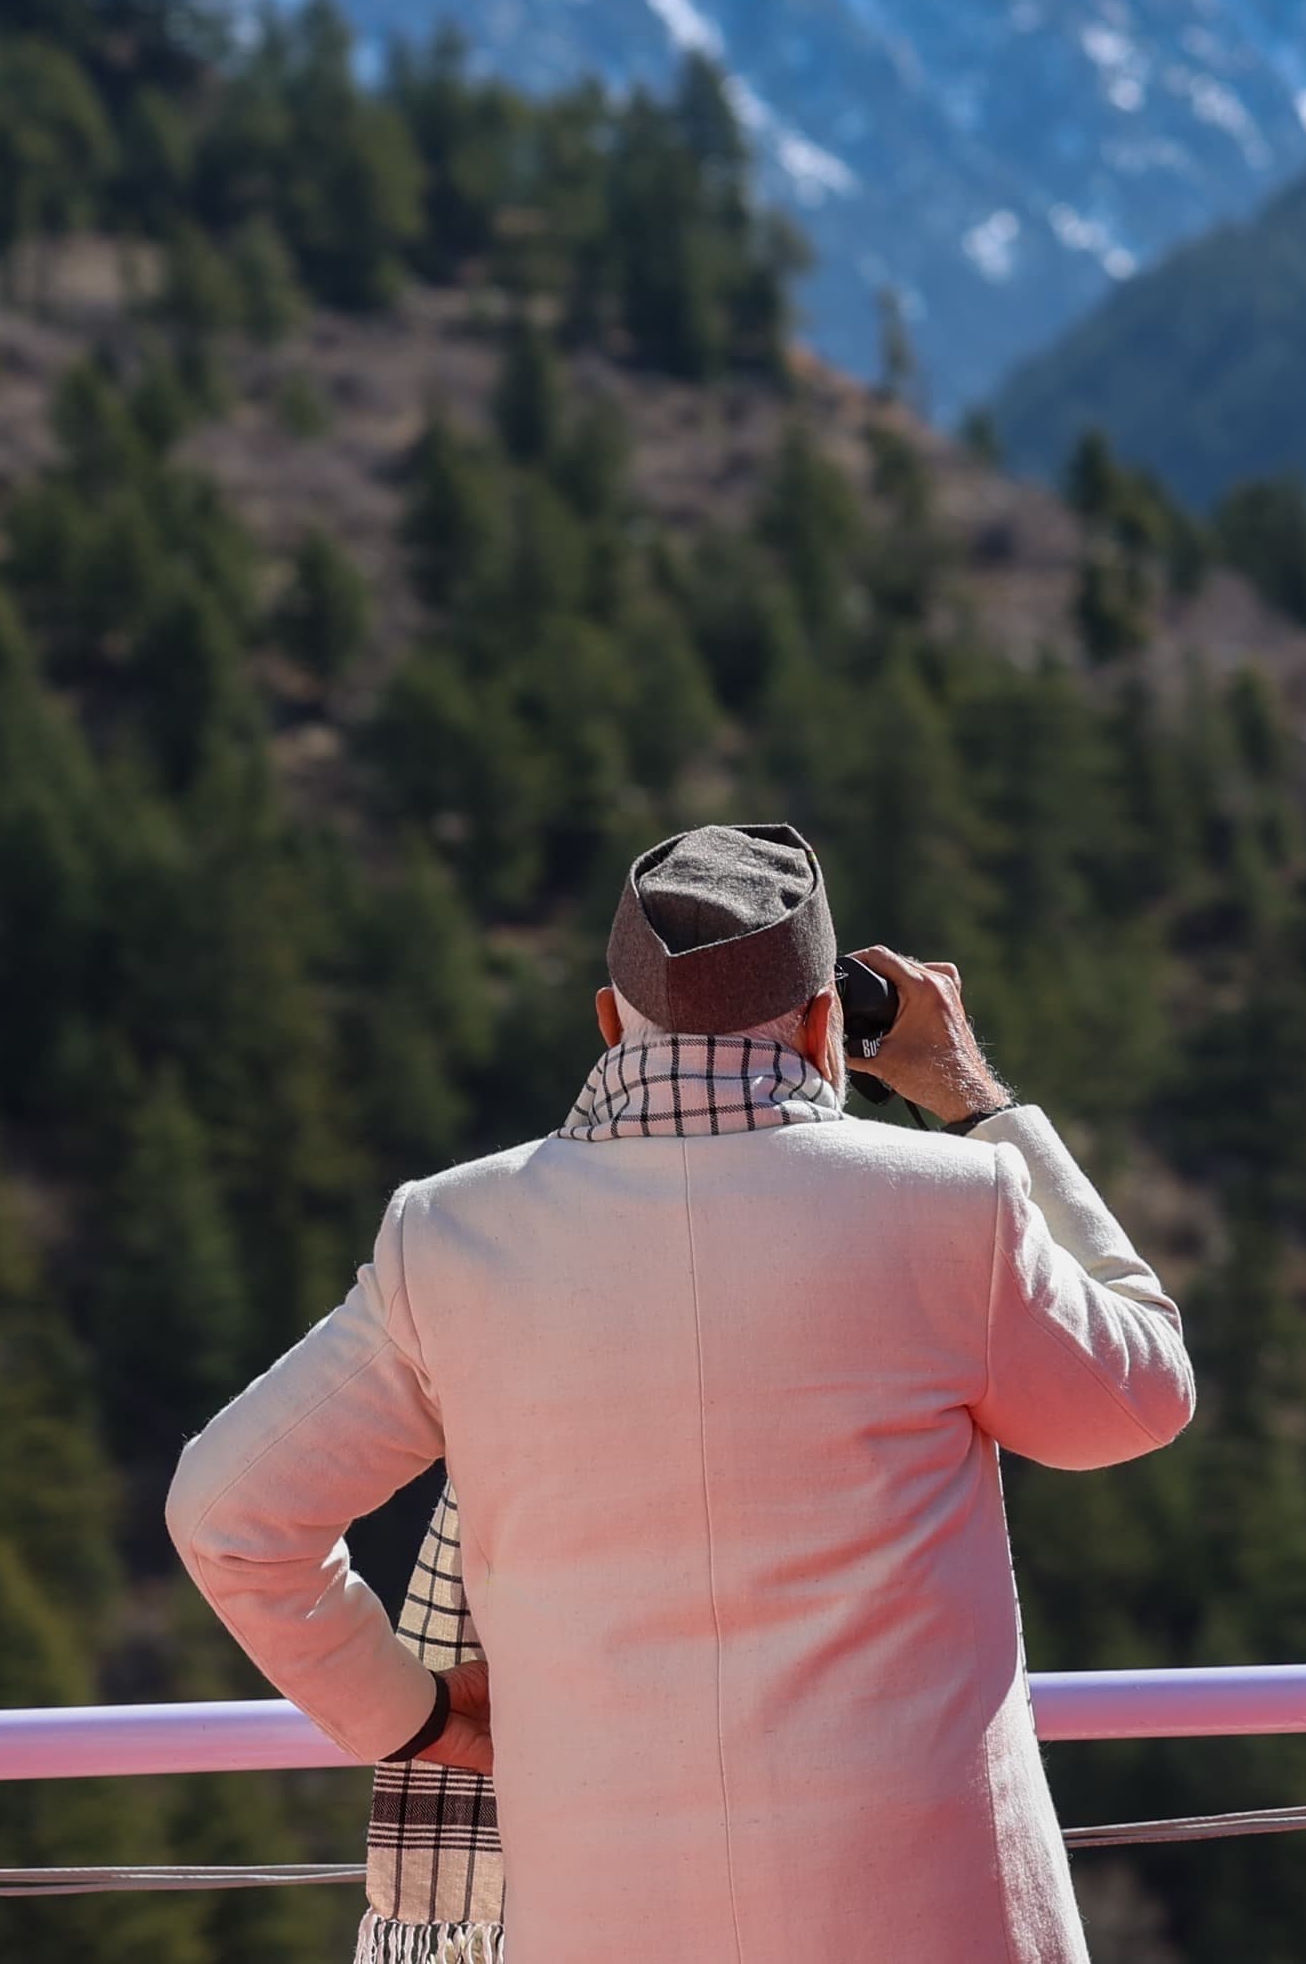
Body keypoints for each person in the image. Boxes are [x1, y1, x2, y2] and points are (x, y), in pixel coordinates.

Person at [167, 821, 1195, 1963]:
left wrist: (411, 1715)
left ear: (609, 1024)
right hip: (930, 1915)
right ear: (824, 1027)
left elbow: (229, 1519)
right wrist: (971, 1095)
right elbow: (1140, 1397)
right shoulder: (957, 1204)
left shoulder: (451, 1235)